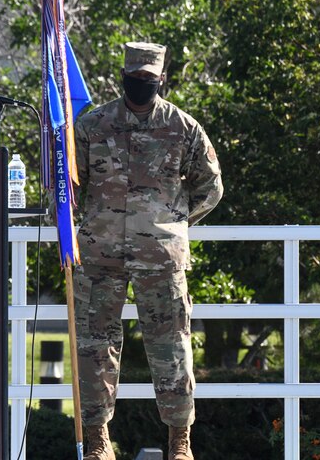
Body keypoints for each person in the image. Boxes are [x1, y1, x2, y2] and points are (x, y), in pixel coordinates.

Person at [72, 42, 223, 460]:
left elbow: (211, 187)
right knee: (94, 345)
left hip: (159, 257)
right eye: (133, 77)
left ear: (162, 80)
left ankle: (180, 440)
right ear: (121, 76)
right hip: (100, 254)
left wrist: (173, 223)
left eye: (147, 78)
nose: (140, 84)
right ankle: (98, 439)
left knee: (170, 346)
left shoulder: (183, 127)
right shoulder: (93, 125)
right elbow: (68, 184)